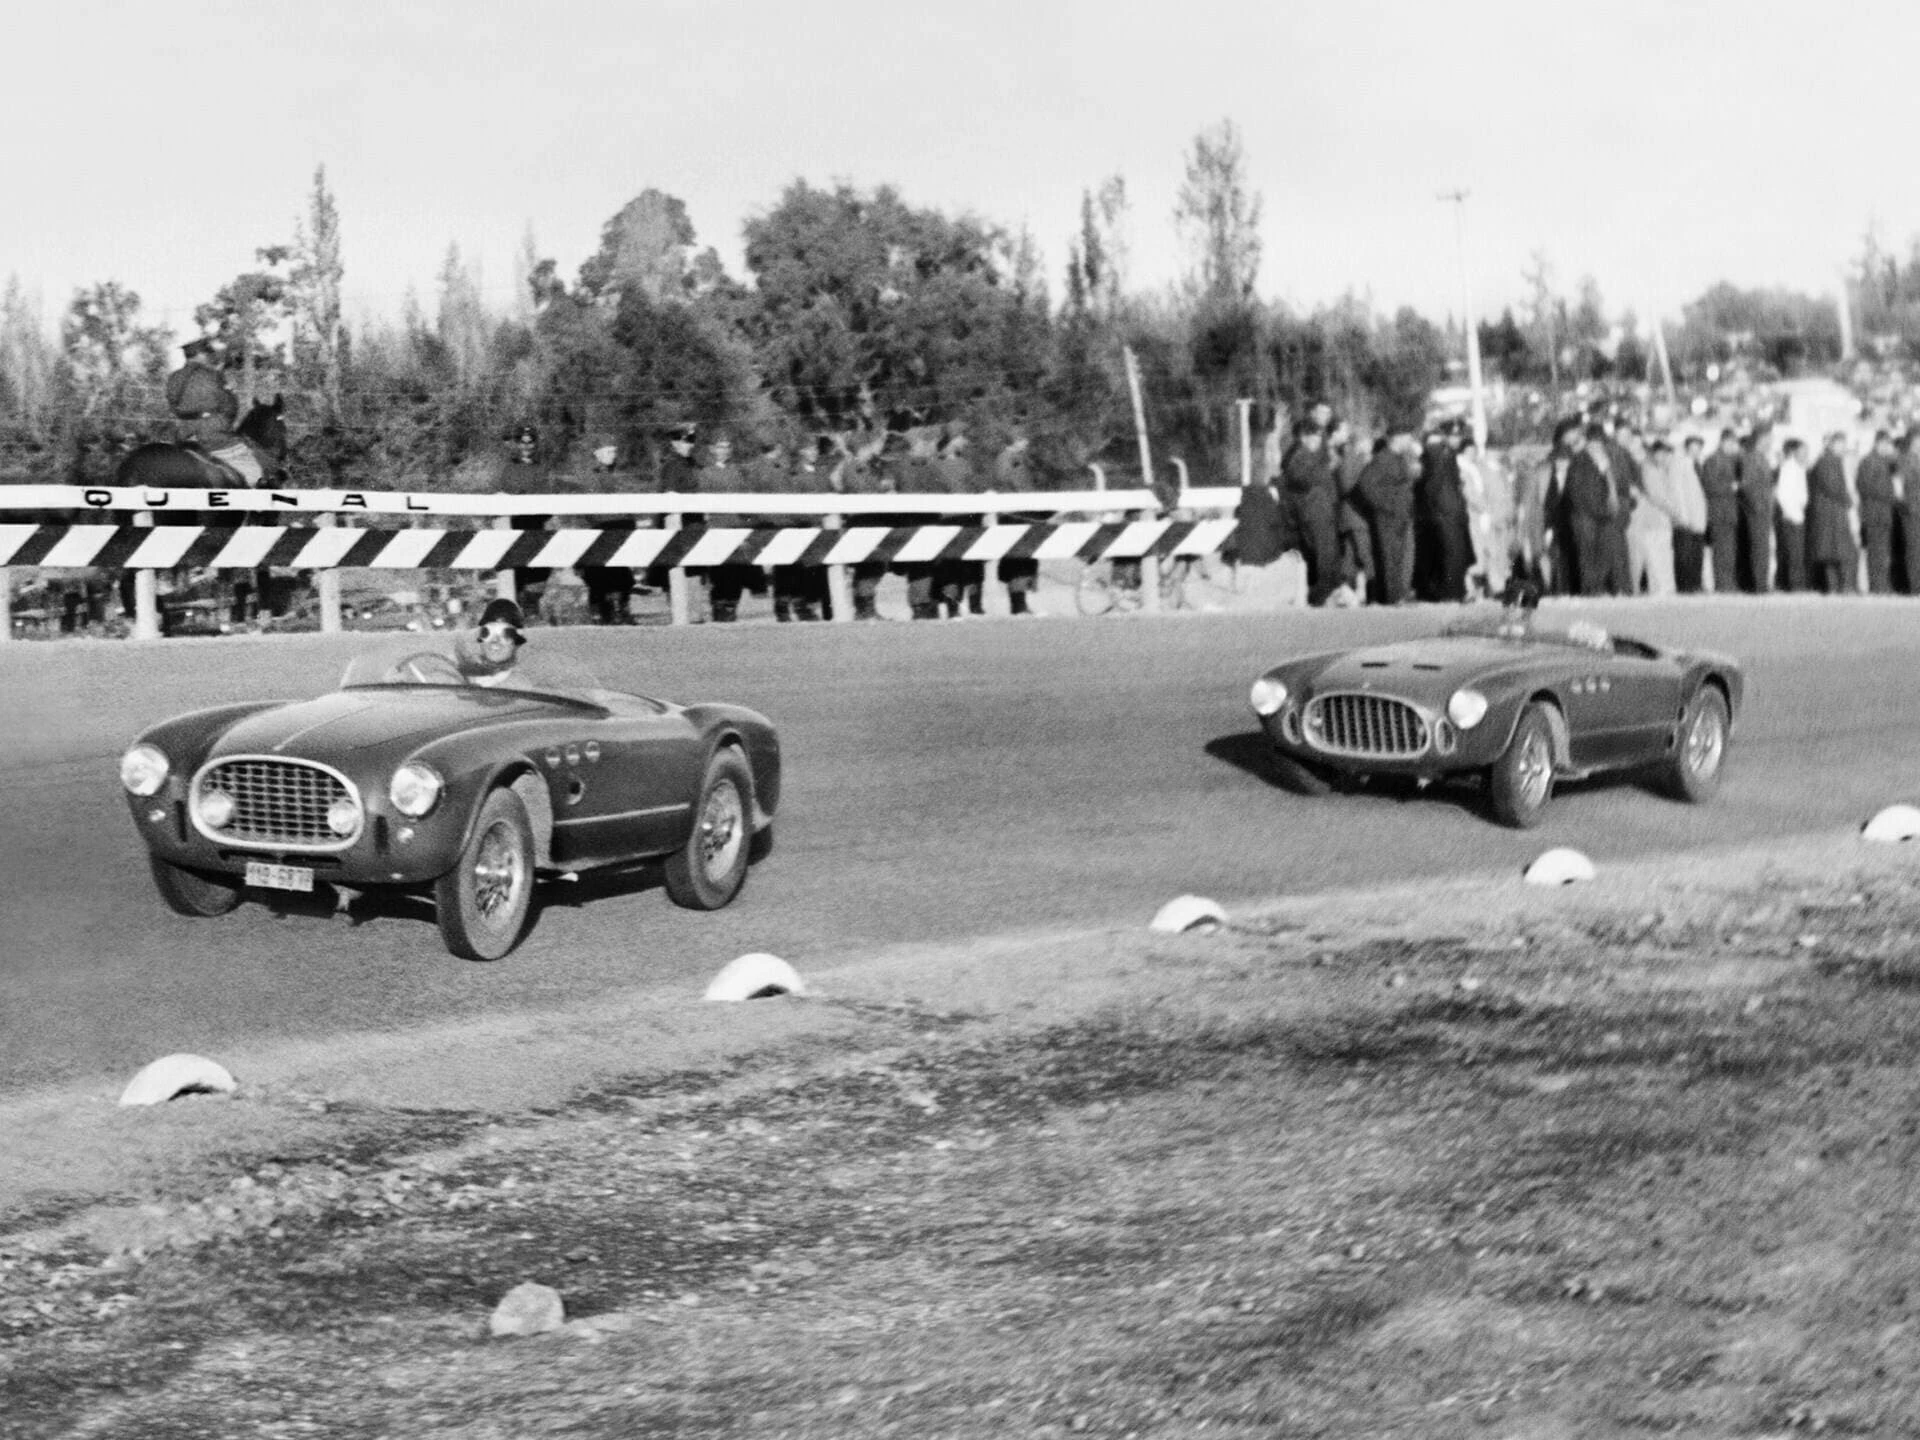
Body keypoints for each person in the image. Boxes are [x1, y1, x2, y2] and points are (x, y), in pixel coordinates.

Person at [1353, 432, 1417, 604]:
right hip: (1388, 516)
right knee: (1389, 557)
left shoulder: (1399, 458)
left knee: (1400, 557)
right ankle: (1392, 597)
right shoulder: (1383, 458)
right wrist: (1386, 505)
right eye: (1408, 437)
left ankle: (1399, 594)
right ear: (1398, 438)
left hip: (1401, 514)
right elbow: (1365, 484)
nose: (1410, 441)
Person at [1805, 431, 1854, 594]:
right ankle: (1838, 586)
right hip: (1830, 514)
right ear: (1832, 445)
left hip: (1834, 513)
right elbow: (1833, 486)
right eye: (1840, 445)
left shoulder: (1832, 461)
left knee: (1835, 552)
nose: (1843, 448)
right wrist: (1847, 499)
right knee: (1834, 552)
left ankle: (1839, 586)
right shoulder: (1827, 462)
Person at [1698, 429, 1743, 593]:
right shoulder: (1713, 460)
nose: (1734, 447)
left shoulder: (1728, 460)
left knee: (1729, 551)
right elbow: (1709, 486)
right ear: (1724, 442)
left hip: (1728, 513)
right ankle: (1723, 584)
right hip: (1719, 512)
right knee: (1721, 551)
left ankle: (1728, 583)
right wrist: (1731, 487)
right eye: (1732, 443)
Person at [1856, 430, 1899, 595]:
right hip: (1874, 512)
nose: (1889, 448)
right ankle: (1877, 585)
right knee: (1875, 551)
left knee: (1883, 551)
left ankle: (1882, 584)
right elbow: (1864, 486)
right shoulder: (1869, 461)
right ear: (1879, 443)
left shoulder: (1884, 462)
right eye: (1887, 444)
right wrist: (1889, 495)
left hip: (1884, 513)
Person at [1738, 428, 1776, 593]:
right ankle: (1759, 585)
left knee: (1763, 548)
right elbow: (1748, 485)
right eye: (1769, 439)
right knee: (1759, 548)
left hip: (1764, 508)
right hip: (1758, 510)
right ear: (1761, 440)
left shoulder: (1761, 458)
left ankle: (1762, 583)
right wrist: (1758, 506)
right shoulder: (1752, 458)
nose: (1771, 443)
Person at [456, 598, 528, 687]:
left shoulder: (520, 685)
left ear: (516, 643)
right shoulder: (462, 669)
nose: (495, 640)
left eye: (506, 634)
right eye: (487, 632)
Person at [1671, 436, 1709, 594]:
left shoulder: (1698, 465)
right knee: (1684, 553)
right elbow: (1677, 491)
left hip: (1698, 516)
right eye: (1693, 448)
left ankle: (1696, 583)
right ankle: (1685, 586)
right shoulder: (1680, 464)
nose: (1696, 451)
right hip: (1685, 517)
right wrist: (1683, 514)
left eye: (1698, 448)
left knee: (1696, 553)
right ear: (1686, 448)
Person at [1773, 437, 1811, 592]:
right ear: (1794, 452)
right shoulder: (1789, 468)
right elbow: (1782, 494)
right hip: (1791, 516)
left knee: (1793, 552)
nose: (1805, 455)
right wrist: (1790, 513)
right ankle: (1795, 585)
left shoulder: (1798, 468)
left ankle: (1786, 583)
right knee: (1793, 553)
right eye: (1802, 452)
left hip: (1797, 514)